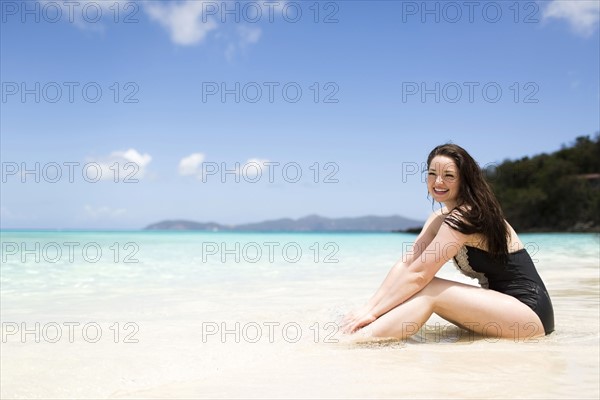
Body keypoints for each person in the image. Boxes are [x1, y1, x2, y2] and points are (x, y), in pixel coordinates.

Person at [341, 143, 554, 340]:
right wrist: (370, 308)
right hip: (503, 309)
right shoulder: (438, 218)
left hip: (529, 313)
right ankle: (359, 334)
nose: (438, 182)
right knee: (417, 289)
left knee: (430, 290)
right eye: (432, 174)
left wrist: (371, 312)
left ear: (465, 179)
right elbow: (406, 265)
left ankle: (356, 343)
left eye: (449, 175)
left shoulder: (466, 217)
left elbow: (421, 274)